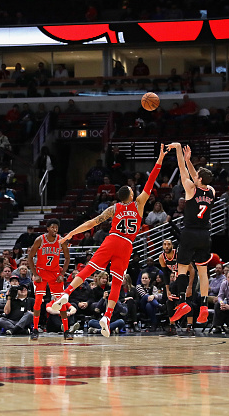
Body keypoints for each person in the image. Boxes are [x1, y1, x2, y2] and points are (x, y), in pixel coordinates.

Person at [52, 144, 167, 337]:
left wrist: (71, 233)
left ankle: (66, 292)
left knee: (90, 268)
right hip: (126, 245)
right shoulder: (139, 204)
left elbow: (91, 223)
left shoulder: (114, 209)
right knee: (116, 282)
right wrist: (160, 159)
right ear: (131, 195)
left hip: (113, 239)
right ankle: (107, 316)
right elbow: (151, 180)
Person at [166, 143, 215, 325]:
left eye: (197, 176)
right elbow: (197, 175)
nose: (194, 176)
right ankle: (203, 306)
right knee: (203, 273)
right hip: (205, 235)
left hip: (189, 233)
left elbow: (182, 169)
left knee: (182, 269)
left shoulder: (190, 188)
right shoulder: (211, 191)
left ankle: (182, 302)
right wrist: (190, 162)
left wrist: (180, 152)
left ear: (199, 179)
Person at [27, 218, 70, 340]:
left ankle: (66, 330)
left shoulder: (61, 240)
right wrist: (35, 274)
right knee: (38, 300)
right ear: (47, 228)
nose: (55, 229)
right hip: (41, 272)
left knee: (61, 301)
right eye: (52, 227)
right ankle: (35, 329)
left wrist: (62, 273)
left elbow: (67, 258)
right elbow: (30, 257)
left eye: (56, 227)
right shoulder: (40, 239)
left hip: (55, 273)